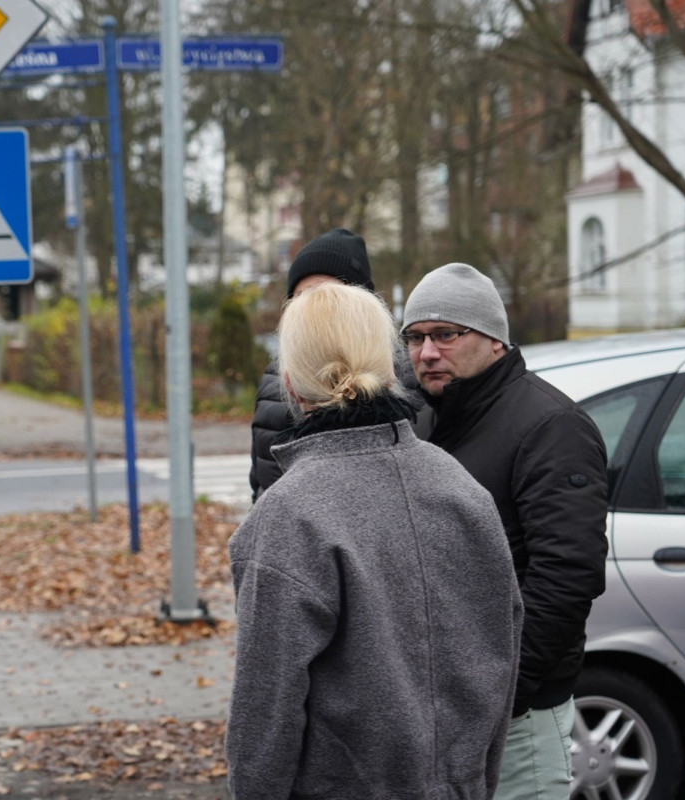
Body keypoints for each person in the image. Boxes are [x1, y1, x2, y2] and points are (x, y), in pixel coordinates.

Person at [227, 282, 523, 800]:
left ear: (290, 384)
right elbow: (500, 668)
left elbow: (264, 720)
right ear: (391, 372)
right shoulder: (465, 491)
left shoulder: (287, 517)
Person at [401, 262, 609, 800]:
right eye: (416, 337)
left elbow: (567, 575)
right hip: (443, 710)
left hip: (518, 718)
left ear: (494, 339)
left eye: (446, 334)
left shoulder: (550, 425)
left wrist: (505, 693)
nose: (427, 352)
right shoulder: (426, 421)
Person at [249, 227, 418, 501]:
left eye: (329, 296)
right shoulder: (274, 382)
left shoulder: (401, 378)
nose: (314, 309)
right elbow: (262, 483)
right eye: (301, 297)